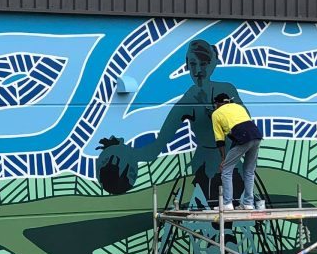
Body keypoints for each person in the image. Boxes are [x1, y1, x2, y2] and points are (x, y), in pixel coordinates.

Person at [98, 39, 245, 205]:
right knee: (212, 220)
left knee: (231, 217)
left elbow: (245, 127)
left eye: (203, 64)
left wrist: (218, 114)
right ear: (187, 65)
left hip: (231, 170)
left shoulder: (227, 90)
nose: (198, 70)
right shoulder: (188, 100)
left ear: (213, 63)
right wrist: (126, 153)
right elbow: (156, 147)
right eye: (193, 64)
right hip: (204, 170)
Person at [211, 93, 263, 210]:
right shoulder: (239, 107)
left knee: (226, 170)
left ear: (218, 104)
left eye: (215, 104)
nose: (215, 107)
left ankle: (227, 203)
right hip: (256, 135)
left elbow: (220, 140)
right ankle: (249, 204)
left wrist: (223, 159)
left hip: (243, 137)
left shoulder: (216, 114)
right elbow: (242, 127)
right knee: (249, 171)